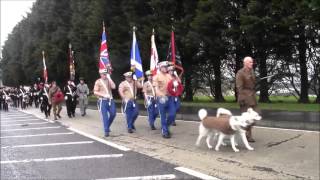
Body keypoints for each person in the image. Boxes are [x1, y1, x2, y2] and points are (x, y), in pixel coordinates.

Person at [236, 56, 259, 142]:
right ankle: (247, 135)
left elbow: (253, 83)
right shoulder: (240, 73)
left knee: (256, 115)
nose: (252, 63)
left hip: (252, 97)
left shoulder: (252, 71)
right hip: (245, 97)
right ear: (245, 63)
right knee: (247, 118)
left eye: (252, 62)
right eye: (250, 62)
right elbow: (239, 87)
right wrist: (242, 99)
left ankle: (243, 131)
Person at [153, 61, 174, 138]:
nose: (166, 68)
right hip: (162, 98)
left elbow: (173, 87)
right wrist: (162, 96)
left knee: (172, 114)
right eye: (164, 67)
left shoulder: (169, 76)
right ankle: (165, 131)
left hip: (170, 98)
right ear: (160, 68)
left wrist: (175, 88)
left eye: (166, 67)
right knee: (163, 116)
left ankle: (165, 126)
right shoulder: (156, 77)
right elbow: (156, 89)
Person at [94, 69, 116, 137]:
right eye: (103, 74)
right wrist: (103, 95)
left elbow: (114, 87)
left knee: (113, 114)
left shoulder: (109, 80)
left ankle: (107, 126)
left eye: (106, 74)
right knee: (105, 116)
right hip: (102, 100)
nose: (105, 75)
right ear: (100, 74)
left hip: (110, 100)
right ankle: (106, 130)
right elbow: (95, 92)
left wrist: (110, 78)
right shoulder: (98, 81)